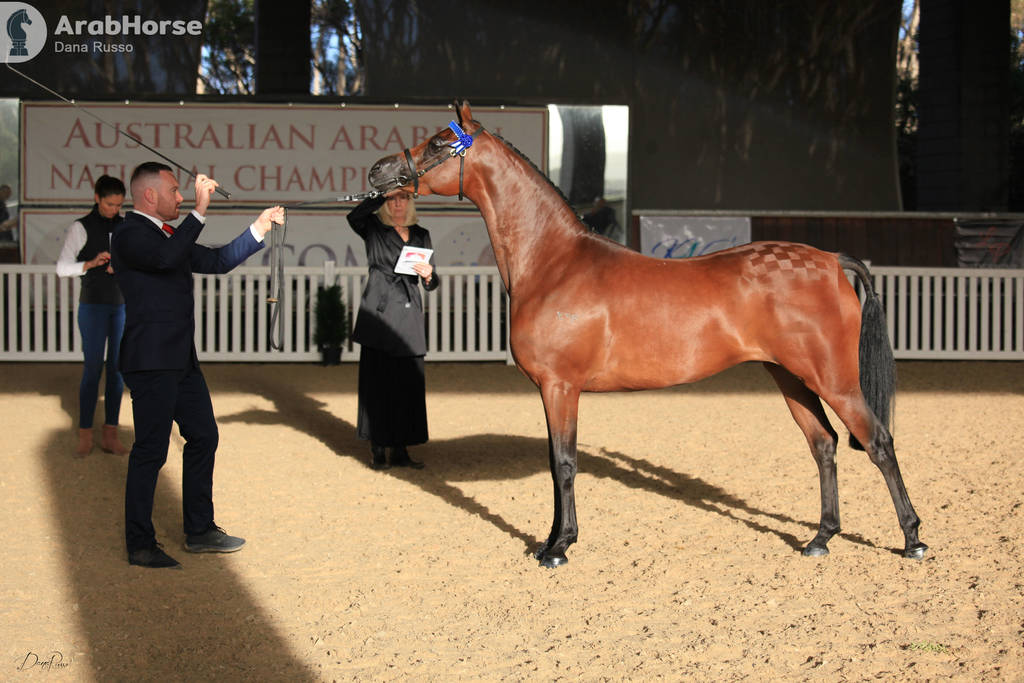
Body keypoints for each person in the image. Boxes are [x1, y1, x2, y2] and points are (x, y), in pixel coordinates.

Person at [110, 162, 283, 569]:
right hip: (151, 362)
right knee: (150, 451)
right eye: (174, 190)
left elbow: (219, 261)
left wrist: (259, 227)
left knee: (204, 436)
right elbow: (167, 258)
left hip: (180, 359)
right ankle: (139, 543)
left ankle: (200, 529)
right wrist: (200, 211)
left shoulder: (167, 235)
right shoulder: (130, 234)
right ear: (149, 195)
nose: (181, 196)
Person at [347, 190, 439, 470]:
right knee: (378, 383)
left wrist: (428, 275)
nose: (397, 204)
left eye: (402, 199)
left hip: (409, 312)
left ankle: (401, 449)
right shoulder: (373, 228)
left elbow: (432, 281)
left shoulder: (421, 234)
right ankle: (378, 448)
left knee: (407, 383)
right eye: (392, 200)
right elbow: (355, 216)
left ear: (410, 203)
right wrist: (379, 195)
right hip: (380, 310)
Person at [56, 175, 129, 457]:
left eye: (119, 205)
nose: (114, 210)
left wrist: (121, 266)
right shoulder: (81, 227)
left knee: (117, 370)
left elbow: (139, 262)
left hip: (122, 305)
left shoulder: (126, 225)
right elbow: (62, 268)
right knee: (92, 369)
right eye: (110, 204)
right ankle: (85, 432)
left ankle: (111, 432)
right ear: (97, 198)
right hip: (93, 306)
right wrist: (91, 263)